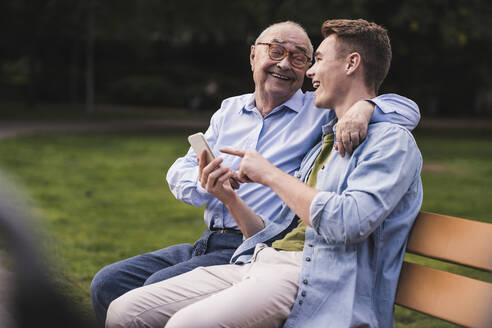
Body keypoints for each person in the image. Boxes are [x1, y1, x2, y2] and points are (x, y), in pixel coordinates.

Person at [95, 20, 420, 326]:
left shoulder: (328, 121)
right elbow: (272, 228)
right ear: (254, 56)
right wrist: (222, 193)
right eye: (276, 51)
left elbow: (347, 222)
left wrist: (368, 107)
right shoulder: (243, 112)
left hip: (294, 267)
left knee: (178, 319)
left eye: (311, 58)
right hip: (256, 250)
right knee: (121, 307)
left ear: (350, 64)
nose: (308, 70)